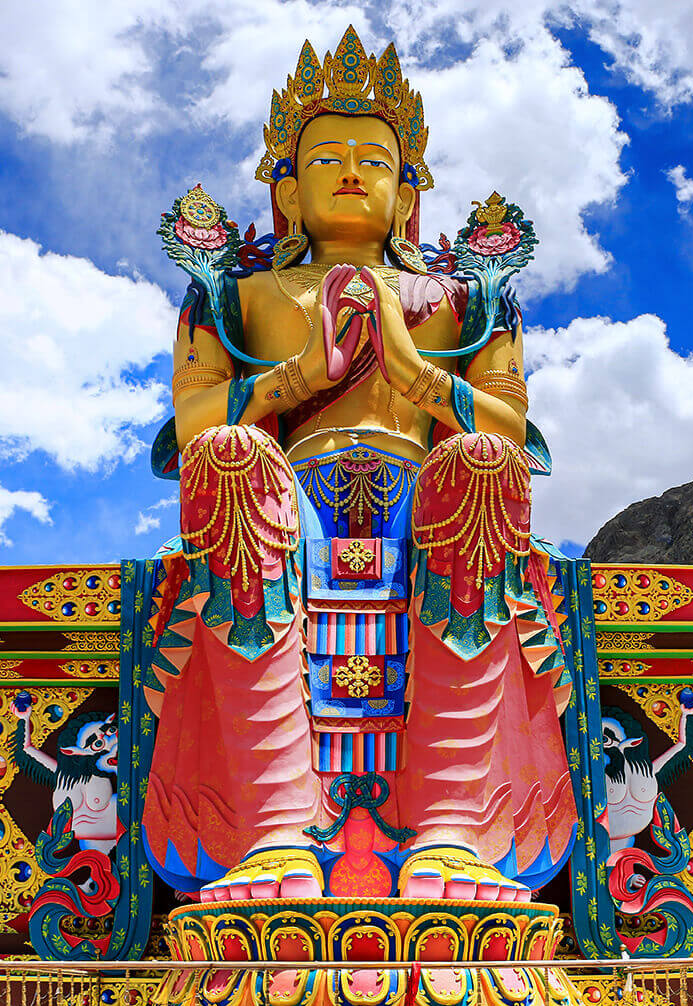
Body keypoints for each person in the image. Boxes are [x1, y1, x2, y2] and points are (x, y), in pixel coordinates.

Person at [140, 26, 576, 904]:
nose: (349, 171)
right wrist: (302, 376)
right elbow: (191, 428)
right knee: (226, 457)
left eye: (374, 160)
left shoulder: (462, 300)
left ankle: (451, 823)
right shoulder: (237, 296)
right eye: (325, 158)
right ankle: (272, 828)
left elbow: (513, 423)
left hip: (434, 505)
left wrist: (415, 374)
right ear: (287, 193)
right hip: (277, 505)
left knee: (486, 462)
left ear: (407, 193)